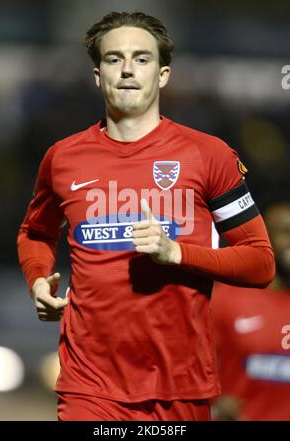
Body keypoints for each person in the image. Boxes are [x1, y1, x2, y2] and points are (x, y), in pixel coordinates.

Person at [17, 11, 275, 421]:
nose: (127, 70)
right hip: (89, 384)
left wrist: (178, 253)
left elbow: (260, 262)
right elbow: (35, 233)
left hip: (181, 384)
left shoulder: (208, 155)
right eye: (114, 59)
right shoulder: (62, 158)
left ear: (164, 74)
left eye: (141, 58)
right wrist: (37, 282)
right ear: (97, 76)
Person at [211, 202, 290, 421]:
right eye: (285, 232)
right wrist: (215, 404)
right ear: (266, 240)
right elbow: (190, 362)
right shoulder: (226, 299)